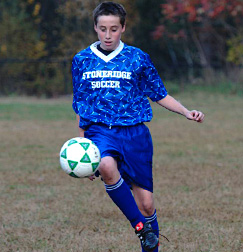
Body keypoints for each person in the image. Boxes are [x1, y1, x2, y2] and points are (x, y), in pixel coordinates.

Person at [72, 2, 205, 251]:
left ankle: (150, 244)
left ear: (123, 27)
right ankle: (140, 228)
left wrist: (186, 112)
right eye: (103, 29)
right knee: (105, 164)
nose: (108, 35)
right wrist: (83, 147)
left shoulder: (137, 58)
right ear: (95, 28)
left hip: (135, 134)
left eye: (113, 29)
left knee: (146, 204)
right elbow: (81, 106)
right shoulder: (81, 60)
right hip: (100, 131)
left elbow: (159, 94)